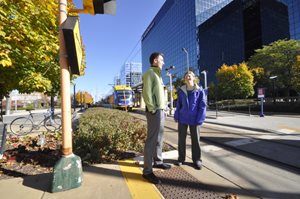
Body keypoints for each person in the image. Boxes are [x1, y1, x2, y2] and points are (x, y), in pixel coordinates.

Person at [142, 52, 171, 184]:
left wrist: (163, 109)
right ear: (155, 60)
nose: (163, 62)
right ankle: (147, 171)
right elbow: (146, 92)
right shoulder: (150, 73)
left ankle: (158, 161)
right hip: (155, 111)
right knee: (152, 139)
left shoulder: (158, 75)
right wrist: (153, 109)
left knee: (159, 137)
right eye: (161, 60)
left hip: (161, 110)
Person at [174, 71, 207, 170]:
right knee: (181, 139)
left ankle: (197, 160)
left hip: (195, 119)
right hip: (183, 118)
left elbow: (202, 106)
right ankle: (181, 158)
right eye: (186, 76)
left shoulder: (199, 90)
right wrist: (176, 115)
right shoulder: (181, 91)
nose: (188, 77)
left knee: (195, 140)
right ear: (185, 79)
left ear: (194, 78)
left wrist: (200, 118)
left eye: (190, 76)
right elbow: (178, 105)